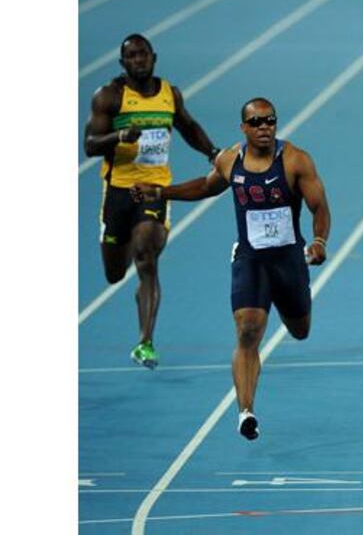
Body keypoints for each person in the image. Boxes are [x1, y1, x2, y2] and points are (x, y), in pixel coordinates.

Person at [132, 98, 331, 440]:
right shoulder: (229, 160)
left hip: (289, 262)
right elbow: (206, 186)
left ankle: (290, 310)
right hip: (251, 260)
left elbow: (319, 207)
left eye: (270, 120)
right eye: (256, 122)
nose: (264, 127)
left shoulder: (295, 160)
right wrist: (161, 193)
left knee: (300, 330)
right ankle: (246, 411)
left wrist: (319, 243)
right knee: (248, 330)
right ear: (244, 128)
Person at [83, 33, 220, 369]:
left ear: (154, 57)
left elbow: (187, 126)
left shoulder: (169, 95)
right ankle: (130, 245)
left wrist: (213, 153)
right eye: (131, 56)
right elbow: (89, 145)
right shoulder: (110, 96)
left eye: (143, 54)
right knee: (115, 273)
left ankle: (145, 341)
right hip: (117, 192)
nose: (138, 60)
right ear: (122, 63)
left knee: (146, 253)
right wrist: (119, 136)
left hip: (153, 189)